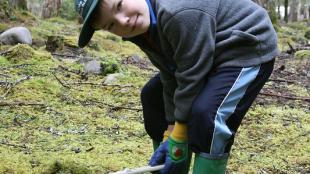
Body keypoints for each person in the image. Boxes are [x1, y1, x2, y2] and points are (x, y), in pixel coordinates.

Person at [75, 0, 279, 173]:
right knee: (152, 96)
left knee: (208, 115)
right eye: (111, 25)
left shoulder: (177, 11)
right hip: (206, 53)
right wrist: (170, 132)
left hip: (244, 46)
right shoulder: (140, 26)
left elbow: (192, 74)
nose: (123, 21)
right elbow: (170, 72)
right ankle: (173, 164)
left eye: (119, 5)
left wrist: (179, 132)